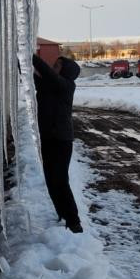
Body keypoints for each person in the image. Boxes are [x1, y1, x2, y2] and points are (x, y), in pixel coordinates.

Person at [32, 53, 83, 233]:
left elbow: (47, 72)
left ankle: (74, 222)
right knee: (50, 180)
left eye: (57, 65)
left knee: (60, 180)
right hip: (47, 138)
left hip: (62, 141)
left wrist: (29, 54)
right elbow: (31, 75)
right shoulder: (49, 86)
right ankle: (62, 214)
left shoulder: (67, 86)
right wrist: (18, 58)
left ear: (66, 70)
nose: (54, 67)